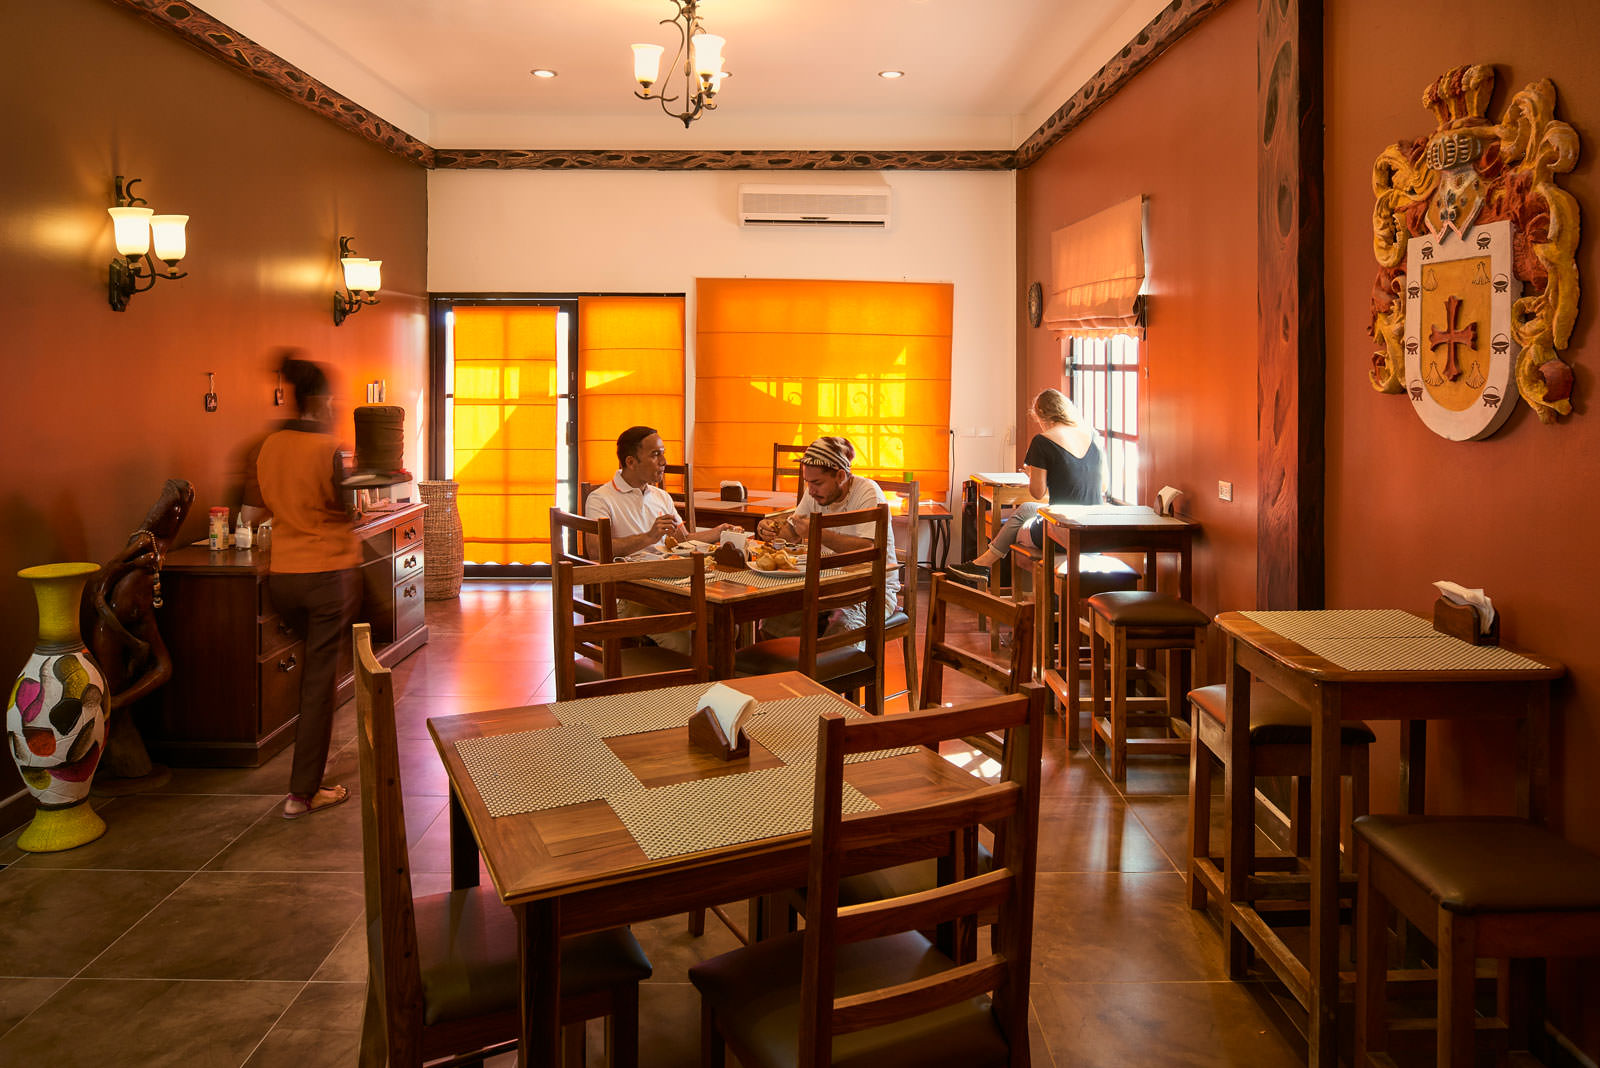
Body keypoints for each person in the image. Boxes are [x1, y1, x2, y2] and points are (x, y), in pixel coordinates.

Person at [243, 353, 360, 820]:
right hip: (326, 574)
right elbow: (348, 510)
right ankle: (303, 792)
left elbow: (251, 516)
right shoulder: (329, 449)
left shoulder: (266, 446)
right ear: (322, 400)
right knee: (319, 687)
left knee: (308, 676)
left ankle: (306, 777)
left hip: (283, 578)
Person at [947, 388, 1104, 586]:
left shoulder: (1042, 441)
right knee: (1026, 509)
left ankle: (986, 567)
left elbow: (1037, 493)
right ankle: (982, 564)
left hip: (1061, 533)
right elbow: (1103, 485)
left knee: (1018, 526)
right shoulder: (1093, 436)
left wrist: (1034, 476)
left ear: (1041, 415)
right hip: (1095, 531)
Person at [755, 436, 899, 639]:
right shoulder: (815, 493)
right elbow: (793, 532)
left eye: (817, 483)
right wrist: (772, 531)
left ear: (840, 476)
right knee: (772, 620)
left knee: (840, 630)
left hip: (870, 588)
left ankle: (844, 670)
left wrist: (817, 532)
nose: (811, 490)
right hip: (825, 585)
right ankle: (791, 671)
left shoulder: (867, 491)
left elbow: (869, 550)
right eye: (807, 482)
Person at [584, 425, 734, 555]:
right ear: (630, 462)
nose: (664, 461)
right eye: (655, 455)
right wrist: (649, 537)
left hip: (666, 572)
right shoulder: (600, 499)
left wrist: (720, 532)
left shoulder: (662, 496)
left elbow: (683, 539)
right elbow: (595, 550)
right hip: (626, 579)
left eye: (663, 453)